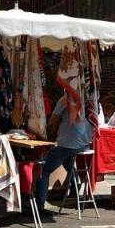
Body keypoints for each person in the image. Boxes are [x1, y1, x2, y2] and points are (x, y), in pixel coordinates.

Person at [37, 92, 92, 220]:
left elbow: (53, 121)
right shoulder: (90, 99)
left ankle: (39, 205)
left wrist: (47, 135)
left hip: (68, 144)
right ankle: (74, 186)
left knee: (44, 170)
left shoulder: (65, 99)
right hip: (85, 144)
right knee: (67, 160)